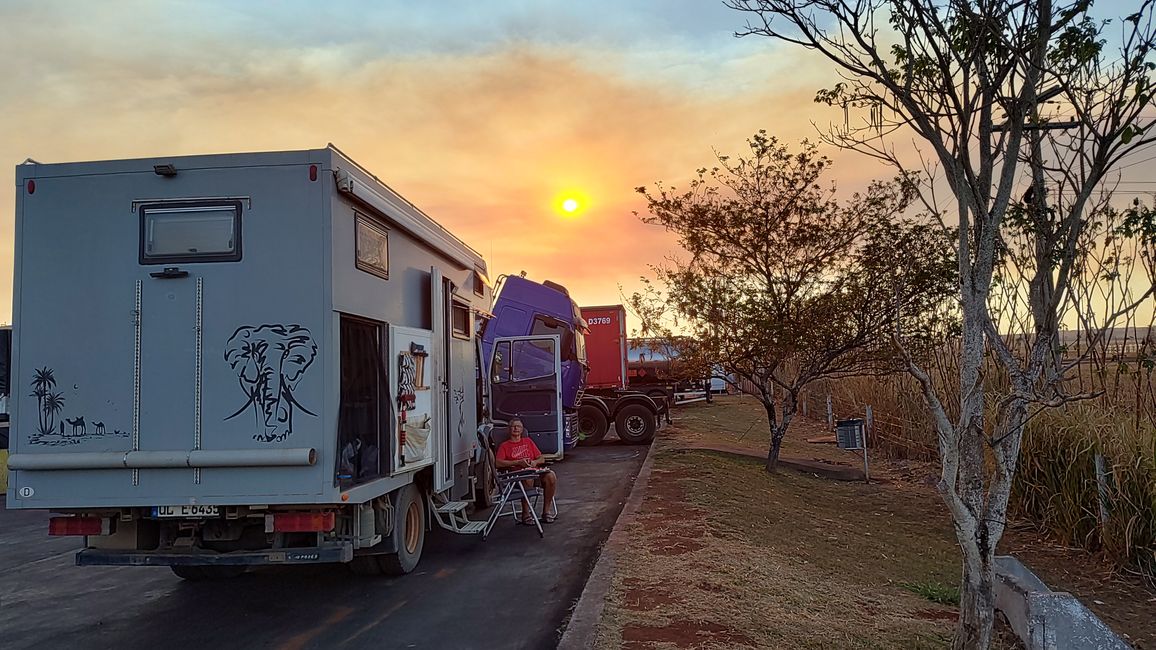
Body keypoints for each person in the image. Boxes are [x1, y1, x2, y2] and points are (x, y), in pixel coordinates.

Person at [494, 418, 558, 524]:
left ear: (522, 429)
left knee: (551, 476)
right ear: (509, 429)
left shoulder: (528, 441)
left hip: (534, 471)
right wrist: (518, 462)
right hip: (517, 475)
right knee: (528, 477)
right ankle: (526, 513)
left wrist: (534, 462)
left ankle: (546, 512)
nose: (516, 428)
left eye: (518, 426)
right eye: (513, 426)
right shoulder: (504, 446)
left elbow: (541, 458)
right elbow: (498, 463)